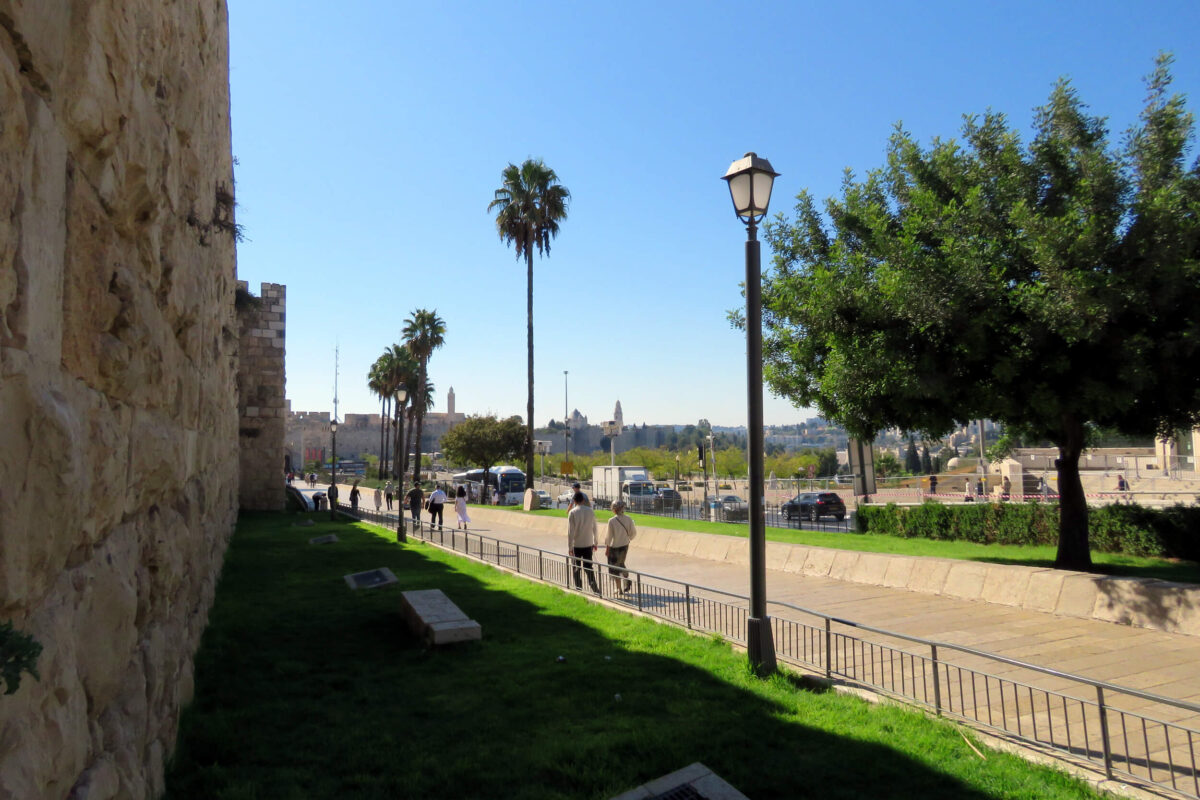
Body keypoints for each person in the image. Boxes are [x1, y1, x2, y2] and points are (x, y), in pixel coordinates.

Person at [566, 492, 599, 594]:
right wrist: (595, 542)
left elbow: (570, 532)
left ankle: (579, 588)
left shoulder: (572, 512)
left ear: (574, 501)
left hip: (576, 545)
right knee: (589, 567)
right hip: (588, 544)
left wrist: (570, 547)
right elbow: (595, 528)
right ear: (583, 500)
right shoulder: (590, 511)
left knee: (576, 568)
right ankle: (594, 588)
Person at [604, 500, 637, 593]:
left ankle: (619, 589)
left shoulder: (611, 521)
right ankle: (626, 580)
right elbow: (633, 533)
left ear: (614, 509)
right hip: (625, 546)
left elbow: (609, 537)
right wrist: (628, 539)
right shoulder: (629, 519)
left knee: (614, 568)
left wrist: (607, 549)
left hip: (614, 548)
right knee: (621, 564)